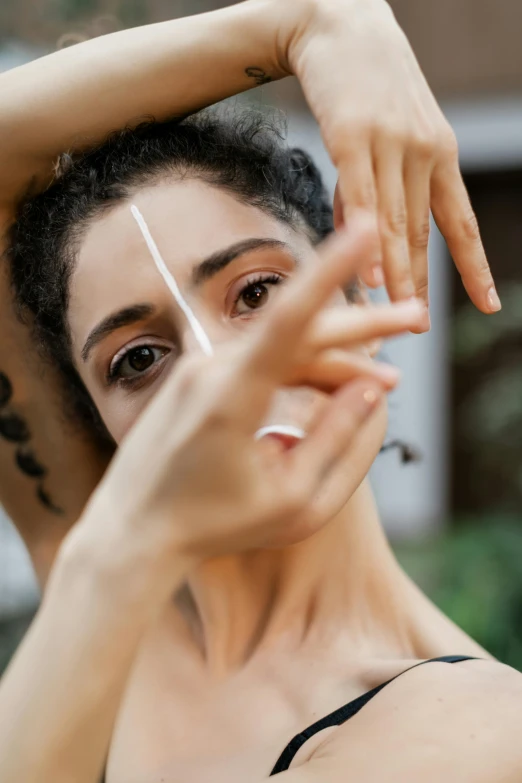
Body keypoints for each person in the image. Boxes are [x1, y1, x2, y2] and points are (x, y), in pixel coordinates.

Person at [1, 2, 520, 782]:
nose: (219, 374)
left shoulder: (478, 728)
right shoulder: (98, 550)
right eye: (138, 359)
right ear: (104, 428)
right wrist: (300, 26)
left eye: (255, 293)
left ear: (358, 305)